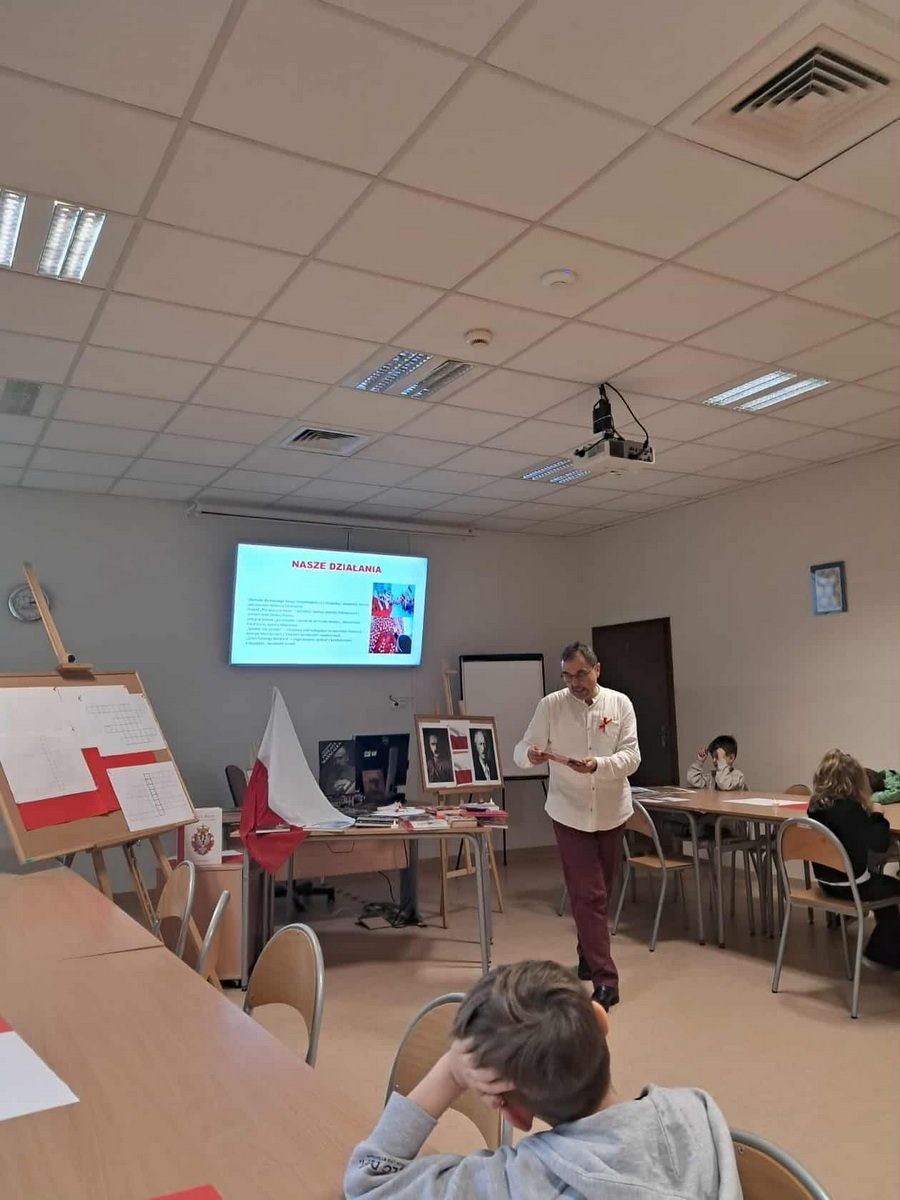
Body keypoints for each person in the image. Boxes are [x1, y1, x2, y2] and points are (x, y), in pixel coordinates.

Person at [343, 960, 741, 1199]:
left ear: (513, 1114)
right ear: (601, 1019)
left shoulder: (518, 1183)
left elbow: (368, 1182)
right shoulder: (696, 1112)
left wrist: (451, 1070)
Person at [513, 642, 640, 1010]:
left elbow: (632, 757)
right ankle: (606, 980)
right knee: (588, 894)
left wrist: (599, 765)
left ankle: (587, 952)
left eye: (581, 674)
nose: (574, 683)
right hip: (568, 812)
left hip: (611, 811)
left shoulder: (620, 704)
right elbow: (520, 750)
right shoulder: (550, 706)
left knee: (602, 890)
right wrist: (531, 755)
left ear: (597, 669)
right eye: (567, 676)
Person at [808, 749, 900, 971]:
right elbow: (879, 843)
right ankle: (878, 953)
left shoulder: (815, 808)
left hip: (826, 882)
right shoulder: (851, 810)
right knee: (894, 889)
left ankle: (884, 947)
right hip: (852, 886)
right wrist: (877, 813)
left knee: (882, 885)